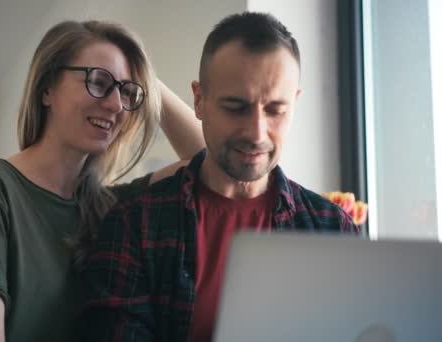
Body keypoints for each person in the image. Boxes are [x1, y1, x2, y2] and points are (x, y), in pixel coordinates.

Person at [82, 12, 358, 342]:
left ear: (295, 104)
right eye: (235, 107)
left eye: (275, 110)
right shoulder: (134, 225)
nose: (257, 133)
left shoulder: (332, 230)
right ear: (199, 100)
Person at [0, 20, 205, 342]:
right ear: (47, 87)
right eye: (99, 81)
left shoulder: (112, 208)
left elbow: (206, 160)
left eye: (126, 91)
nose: (116, 105)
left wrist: (144, 77)